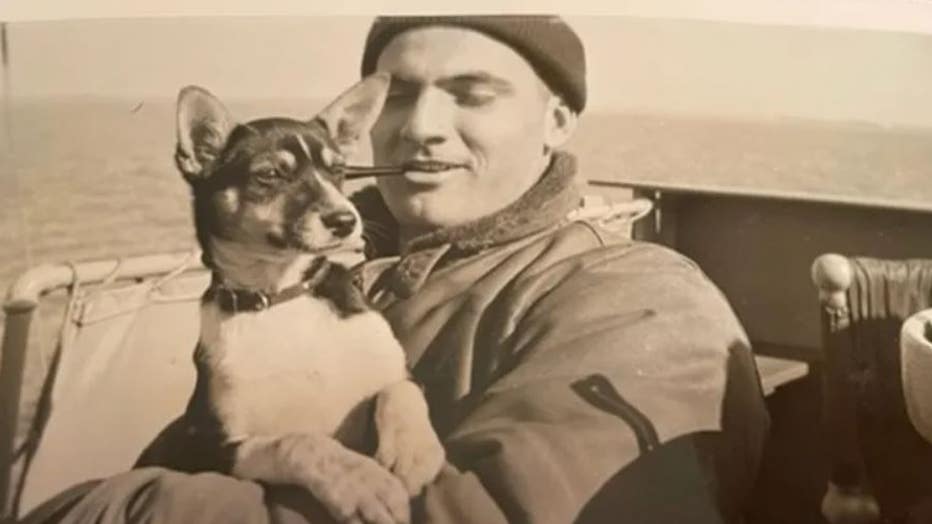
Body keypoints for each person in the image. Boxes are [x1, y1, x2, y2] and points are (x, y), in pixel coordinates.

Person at [23, 15, 769, 524]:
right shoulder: (335, 277)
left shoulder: (638, 298)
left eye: (471, 95)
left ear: (557, 121)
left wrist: (126, 505)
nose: (420, 127)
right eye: (399, 95)